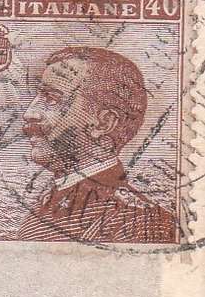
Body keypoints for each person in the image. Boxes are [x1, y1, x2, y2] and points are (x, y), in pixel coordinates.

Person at [15, 47, 177, 244]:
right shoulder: (45, 206)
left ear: (104, 123)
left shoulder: (142, 223)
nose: (30, 113)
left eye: (51, 99)